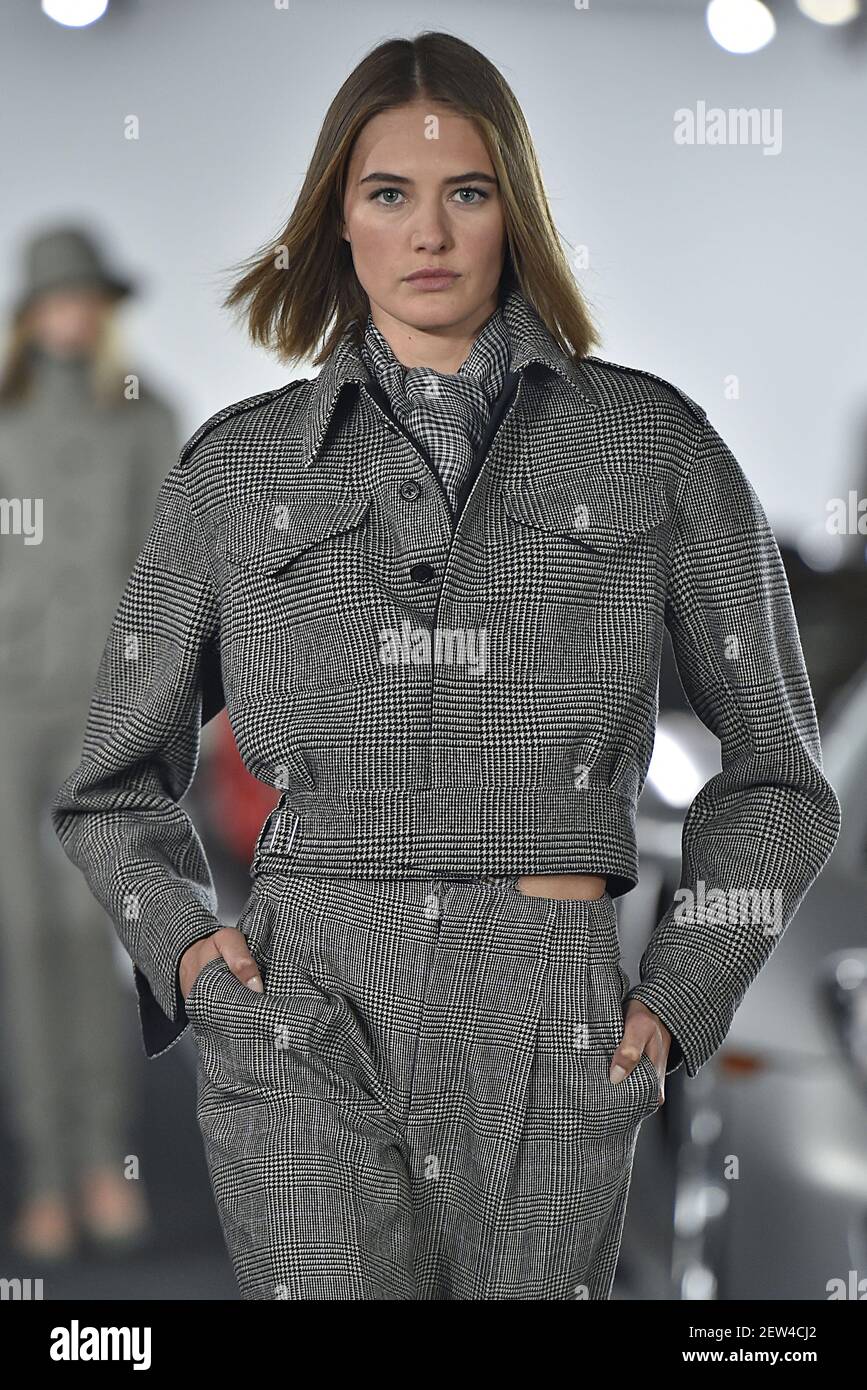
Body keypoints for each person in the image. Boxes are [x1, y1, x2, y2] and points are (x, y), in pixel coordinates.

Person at [50, 33, 841, 1300]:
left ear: (513, 214)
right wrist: (197, 957)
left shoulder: (654, 448)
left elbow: (780, 780)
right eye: (389, 196)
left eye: (467, 192)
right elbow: (109, 787)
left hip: (551, 1011)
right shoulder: (238, 471)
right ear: (339, 224)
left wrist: (681, 994)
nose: (431, 233)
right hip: (303, 1002)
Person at [0, 224, 180, 1259]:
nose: (72, 316)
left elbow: (171, 566)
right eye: (55, 299)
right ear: (30, 312)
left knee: (93, 937)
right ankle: (44, 1170)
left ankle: (102, 1160)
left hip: (101, 711)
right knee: (24, 942)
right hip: (6, 711)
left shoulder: (141, 415)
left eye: (87, 298)